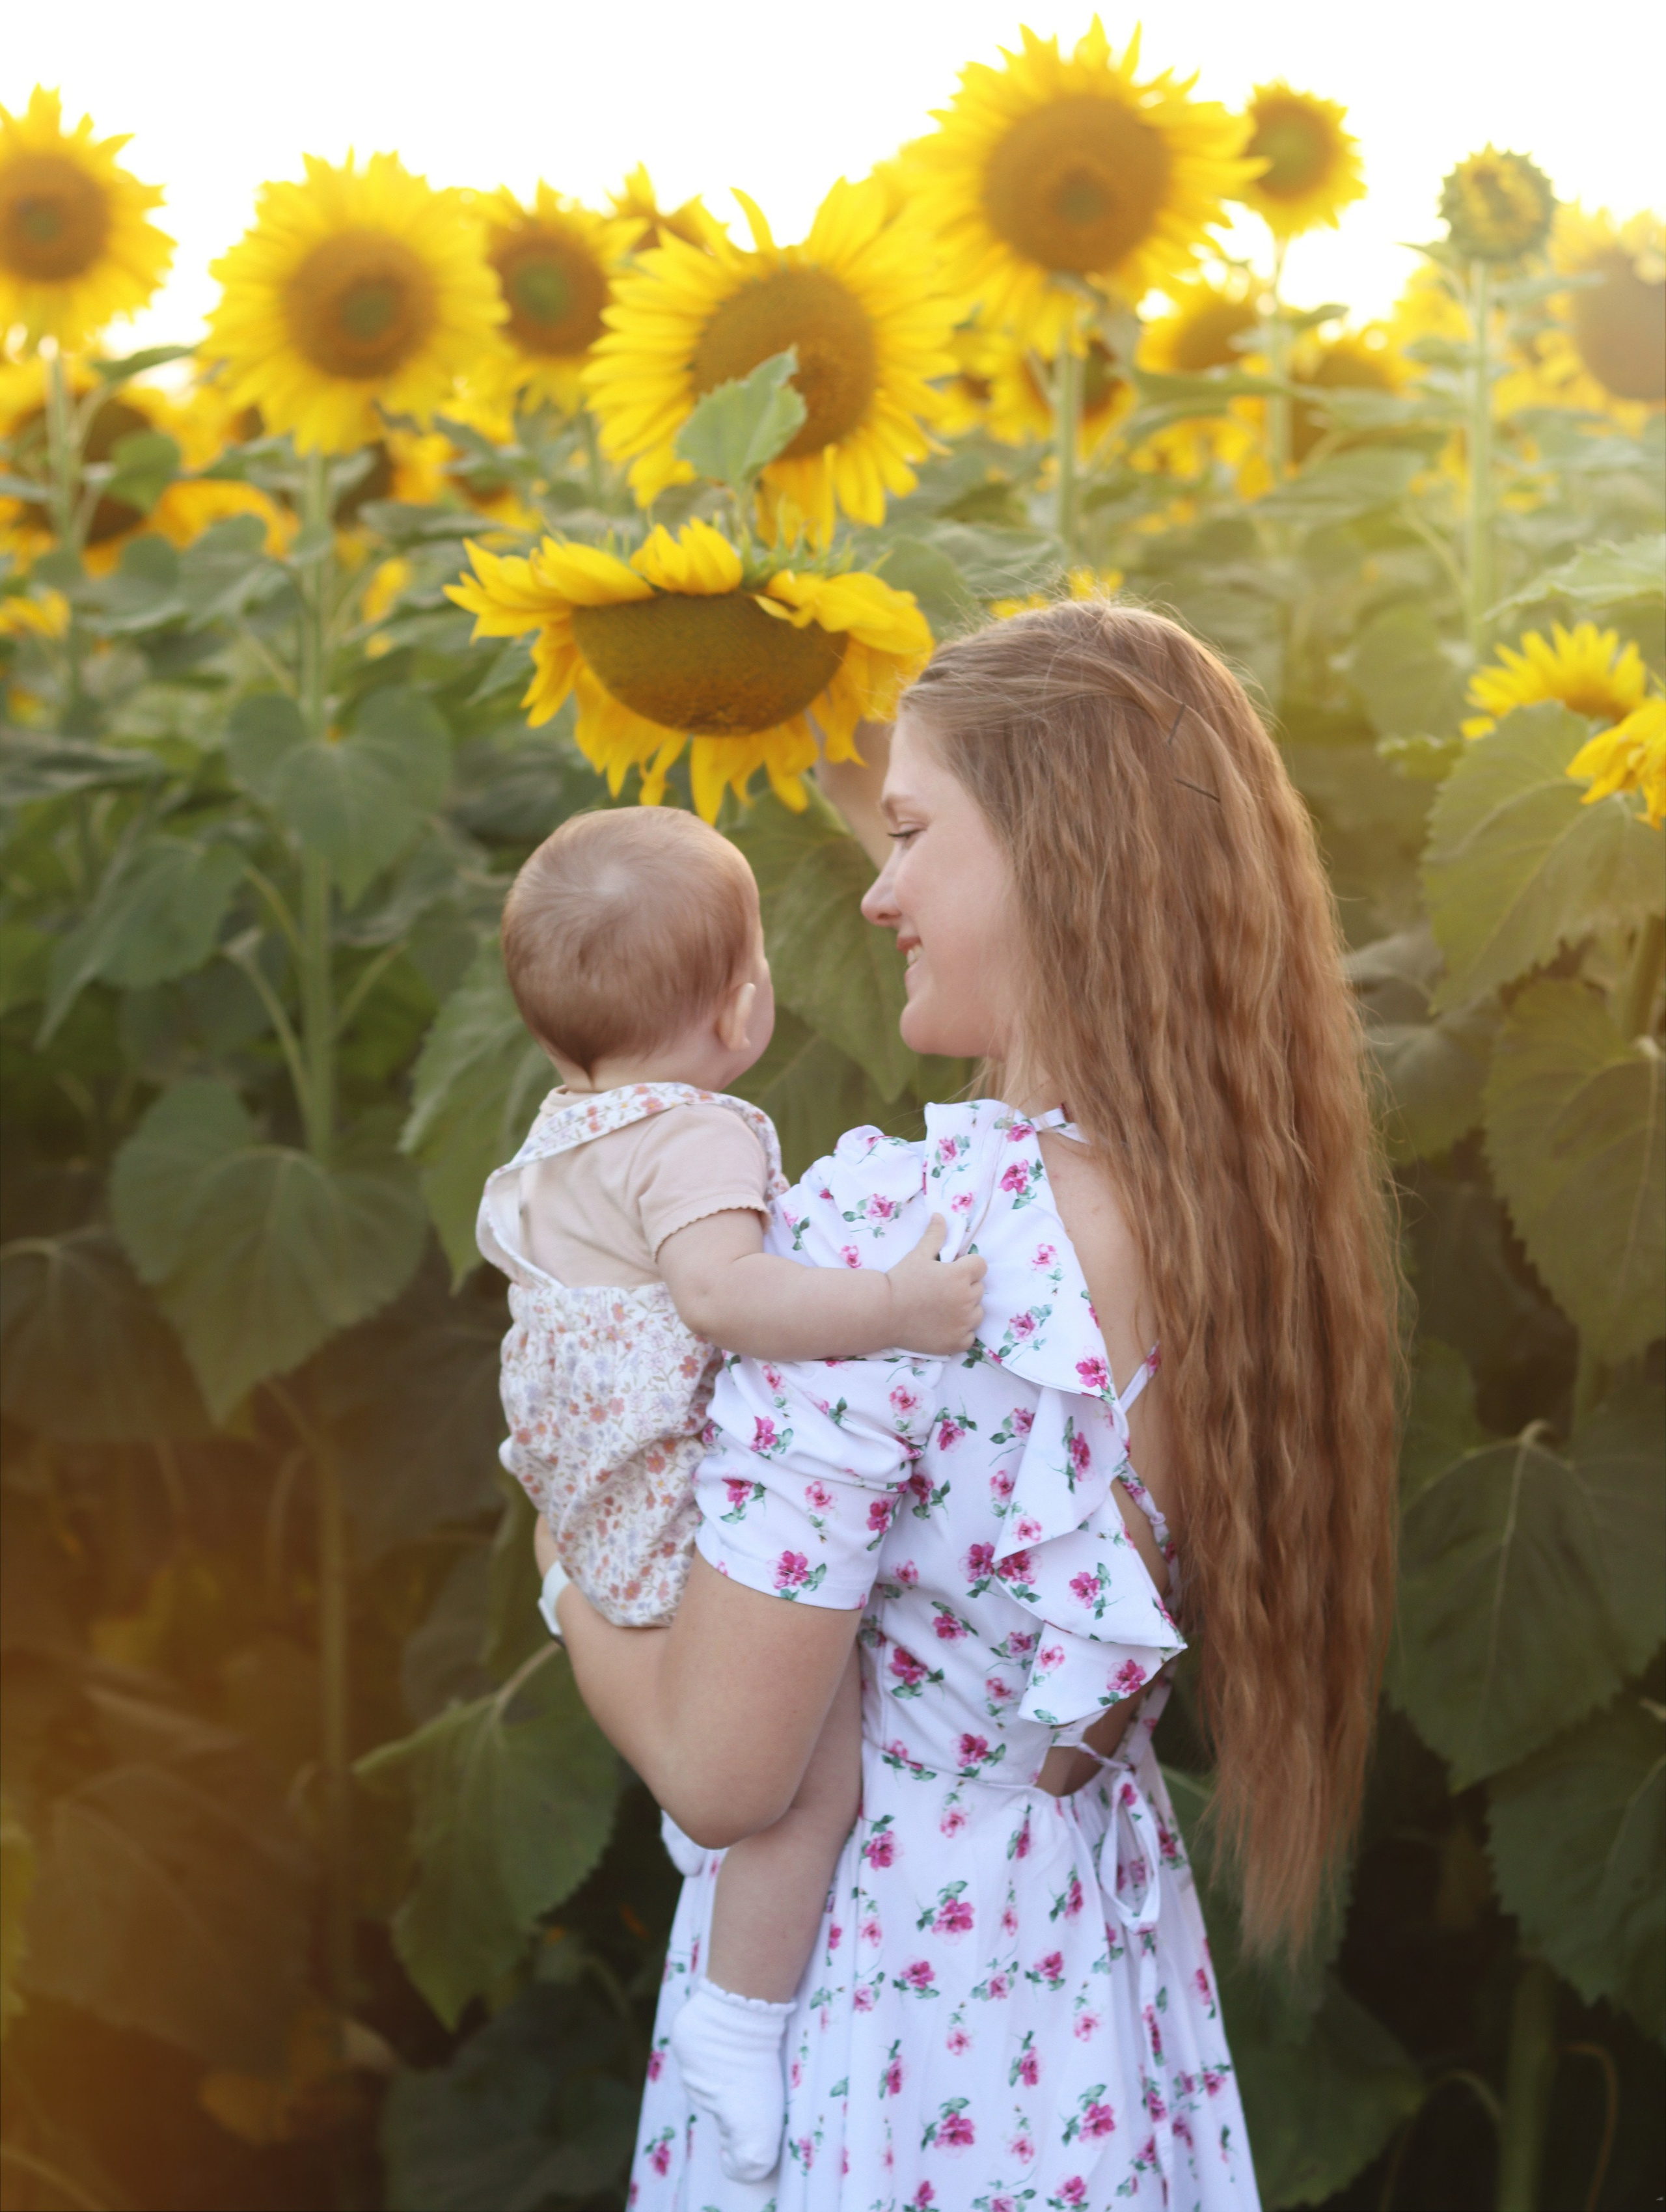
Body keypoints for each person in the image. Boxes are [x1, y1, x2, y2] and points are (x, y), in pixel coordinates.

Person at [553, 599, 1400, 2208]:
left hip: (878, 1992)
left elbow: (727, 1770)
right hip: (1088, 1972)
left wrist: (558, 1537)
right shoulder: (1246, 1229)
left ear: (1053, 853)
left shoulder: (899, 1236)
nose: (876, 894)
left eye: (910, 830)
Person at [478, 806, 987, 2181]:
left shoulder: (568, 1126)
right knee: (806, 1788)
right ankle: (737, 2013)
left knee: (735, 1753)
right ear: (747, 996)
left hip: (589, 1494)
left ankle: (712, 1907)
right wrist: (898, 1302)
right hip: (661, 1491)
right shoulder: (691, 1135)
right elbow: (717, 1293)